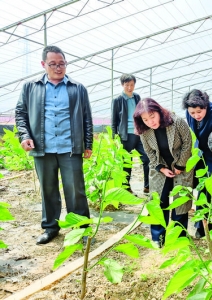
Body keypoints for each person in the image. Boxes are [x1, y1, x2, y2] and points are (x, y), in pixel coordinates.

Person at [15, 45, 93, 245]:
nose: (58, 68)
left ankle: (81, 229)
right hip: (43, 147)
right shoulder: (31, 87)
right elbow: (21, 114)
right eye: (53, 64)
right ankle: (50, 228)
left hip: (70, 147)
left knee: (76, 190)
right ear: (43, 64)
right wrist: (24, 136)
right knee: (48, 189)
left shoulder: (77, 88)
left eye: (62, 64)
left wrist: (88, 144)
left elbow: (86, 118)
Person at [133, 98, 194, 247]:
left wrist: (180, 165)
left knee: (181, 201)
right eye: (145, 119)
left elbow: (187, 143)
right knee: (158, 201)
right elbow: (149, 152)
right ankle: (158, 238)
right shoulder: (144, 130)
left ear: (159, 111)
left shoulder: (177, 122)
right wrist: (160, 168)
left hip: (182, 164)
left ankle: (179, 237)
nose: (150, 122)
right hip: (161, 167)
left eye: (152, 116)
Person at [182, 89, 212, 238]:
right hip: (201, 154)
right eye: (192, 113)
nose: (196, 116)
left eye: (199, 112)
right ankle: (201, 225)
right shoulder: (190, 113)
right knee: (201, 187)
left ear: (205, 106)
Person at [111, 74, 150, 194]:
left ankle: (147, 186)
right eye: (127, 85)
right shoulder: (117, 100)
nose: (129, 87)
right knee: (127, 162)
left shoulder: (137, 97)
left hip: (139, 133)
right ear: (122, 85)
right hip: (126, 135)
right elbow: (114, 120)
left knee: (147, 158)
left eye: (132, 84)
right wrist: (114, 136)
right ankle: (126, 187)